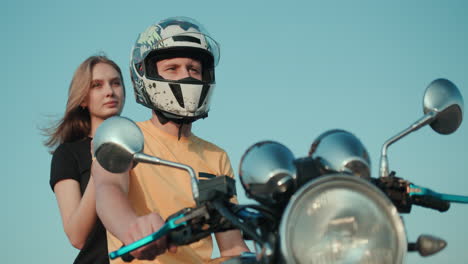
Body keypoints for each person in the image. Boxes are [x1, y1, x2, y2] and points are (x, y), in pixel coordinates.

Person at [92, 17, 250, 263]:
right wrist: (130, 228)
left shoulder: (216, 157)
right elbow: (107, 189)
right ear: (146, 73)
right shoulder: (126, 136)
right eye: (172, 68)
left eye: (194, 69)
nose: (186, 75)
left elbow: (231, 246)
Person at [44, 55, 125, 264]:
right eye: (97, 85)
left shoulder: (143, 145)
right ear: (82, 98)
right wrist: (99, 165)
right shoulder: (68, 153)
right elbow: (77, 236)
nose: (110, 91)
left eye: (116, 83)